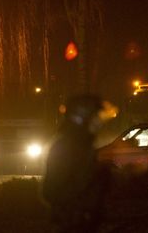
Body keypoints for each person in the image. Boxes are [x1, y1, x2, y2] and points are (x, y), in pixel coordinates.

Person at [43, 94, 111, 233]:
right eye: (95, 117)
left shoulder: (83, 144)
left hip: (83, 223)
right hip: (72, 224)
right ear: (81, 118)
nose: (99, 122)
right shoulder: (68, 146)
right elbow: (51, 190)